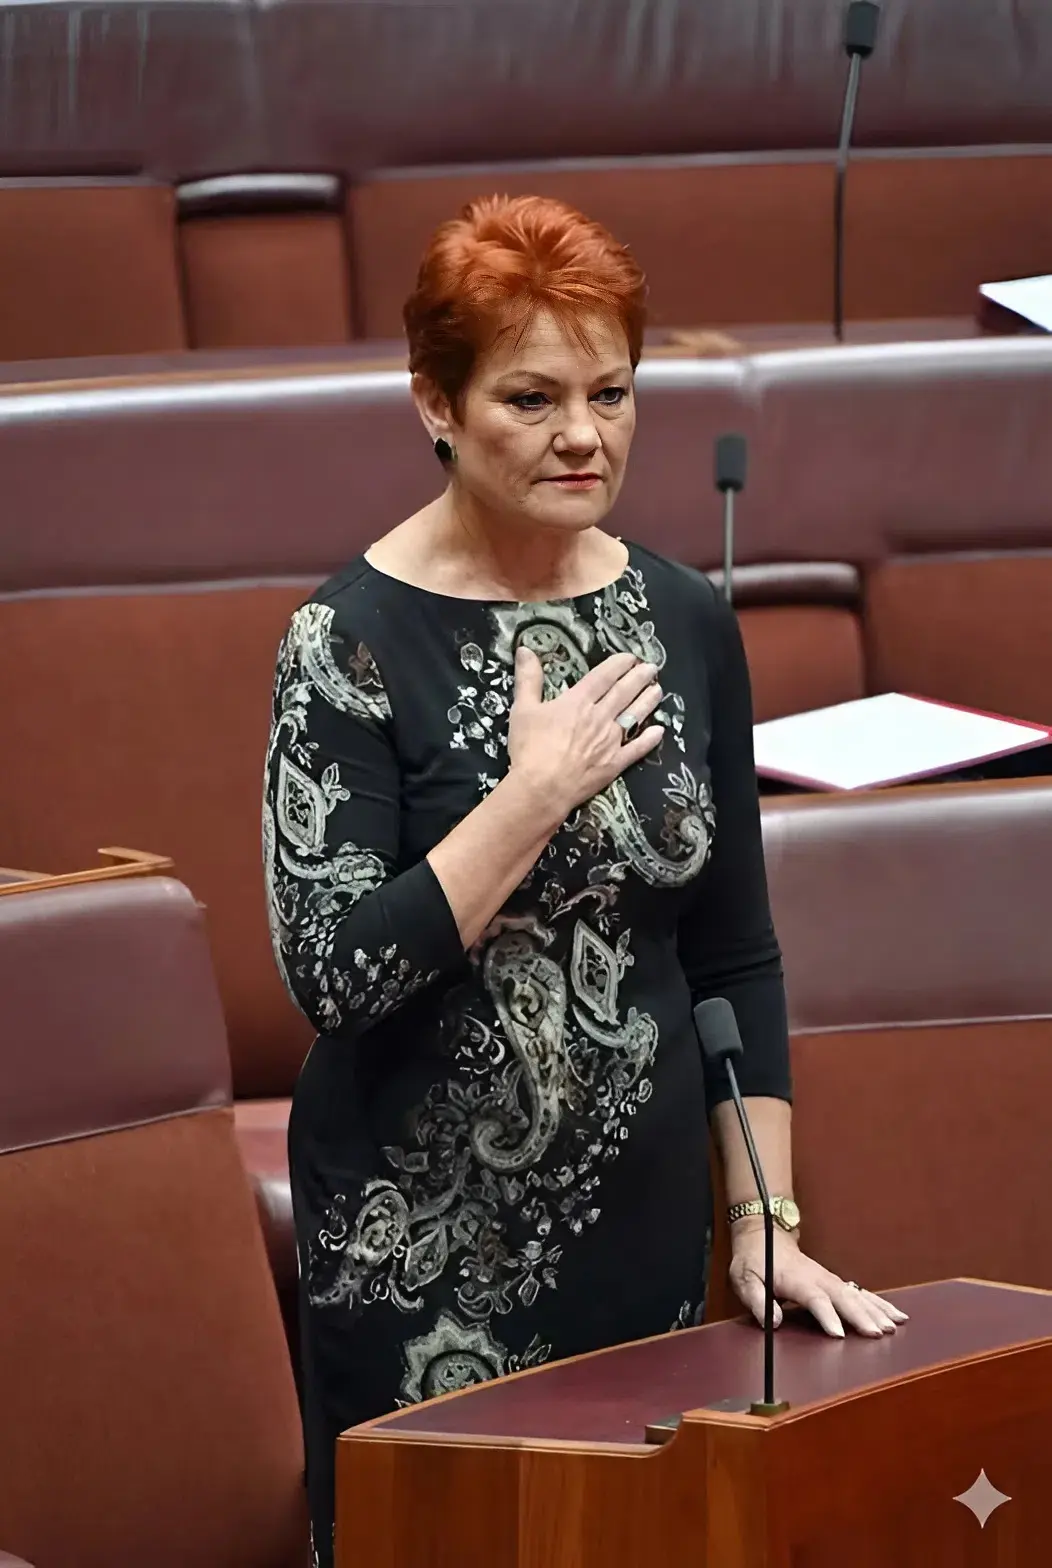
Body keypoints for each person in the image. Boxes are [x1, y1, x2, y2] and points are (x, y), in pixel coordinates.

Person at [262, 194, 907, 1567]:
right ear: (435, 404)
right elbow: (334, 975)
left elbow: (735, 955)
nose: (583, 435)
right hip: (418, 1259)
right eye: (532, 398)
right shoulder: (346, 642)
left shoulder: (683, 619)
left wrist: (765, 1222)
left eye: (611, 394)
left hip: (644, 1232)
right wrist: (529, 798)